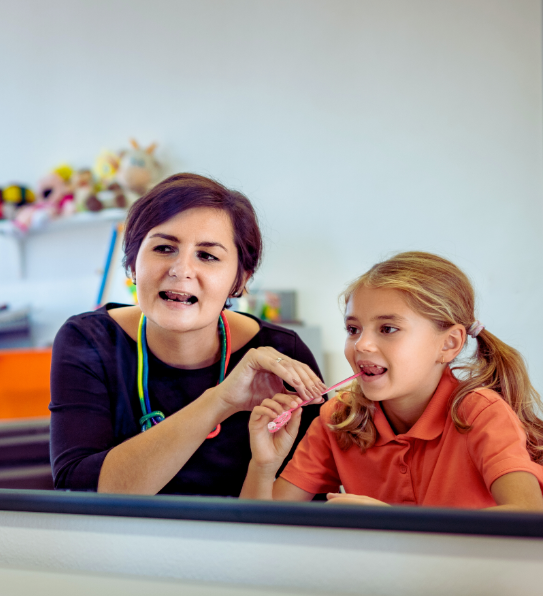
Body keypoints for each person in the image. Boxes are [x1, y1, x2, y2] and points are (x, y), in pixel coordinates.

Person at [50, 173, 327, 495]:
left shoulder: (279, 352)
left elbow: (310, 498)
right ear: (132, 263)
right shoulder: (90, 340)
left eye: (207, 256)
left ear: (240, 279)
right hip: (121, 544)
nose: (180, 270)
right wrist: (219, 402)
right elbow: (78, 493)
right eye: (164, 248)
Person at [243, 252, 543, 510]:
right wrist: (264, 465)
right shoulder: (337, 419)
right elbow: (255, 534)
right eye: (353, 329)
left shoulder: (480, 413)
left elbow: (527, 514)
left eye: (387, 328)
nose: (361, 345)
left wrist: (397, 524)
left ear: (449, 344)